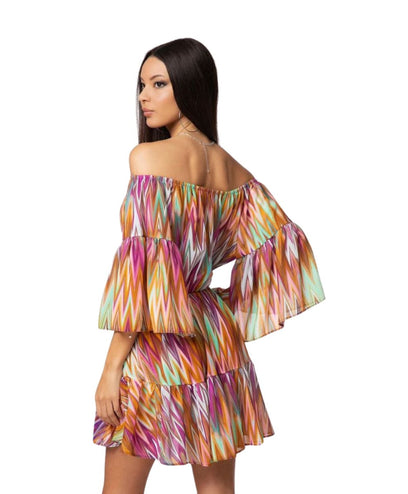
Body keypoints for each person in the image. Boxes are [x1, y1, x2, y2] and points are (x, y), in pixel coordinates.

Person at [93, 37, 326, 494]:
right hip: (216, 340)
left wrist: (110, 370)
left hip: (160, 342)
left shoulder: (147, 159)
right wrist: (226, 305)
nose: (143, 97)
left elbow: (143, 279)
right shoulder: (232, 170)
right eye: (141, 85)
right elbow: (282, 245)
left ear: (190, 86)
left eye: (158, 84)